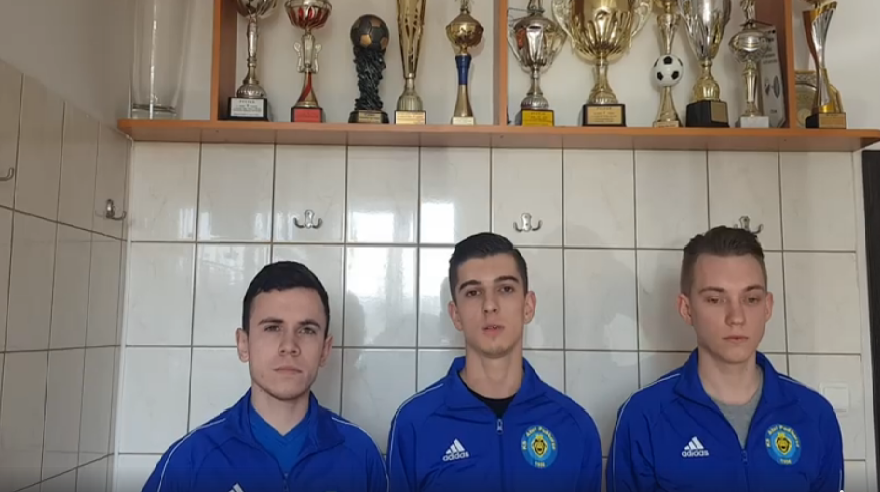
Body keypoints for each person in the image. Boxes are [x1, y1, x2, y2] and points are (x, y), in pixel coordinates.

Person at [606, 226, 844, 492]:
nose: (736, 317)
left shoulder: (815, 415)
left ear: (767, 307)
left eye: (751, 299)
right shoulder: (642, 418)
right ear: (687, 309)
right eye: (715, 299)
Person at [142, 261, 386, 492]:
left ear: (325, 349)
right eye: (272, 328)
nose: (289, 346)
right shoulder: (189, 462)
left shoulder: (361, 456)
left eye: (306, 330)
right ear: (243, 344)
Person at [386, 232, 603, 492]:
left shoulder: (575, 427)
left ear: (528, 306)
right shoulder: (414, 424)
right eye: (473, 292)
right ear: (456, 315)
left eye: (506, 289)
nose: (490, 305)